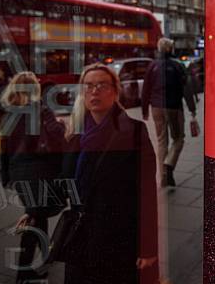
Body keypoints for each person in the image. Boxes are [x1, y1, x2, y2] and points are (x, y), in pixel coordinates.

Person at [62, 63, 158, 283]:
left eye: (102, 85)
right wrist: (35, 210)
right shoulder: (75, 134)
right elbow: (62, 182)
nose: (94, 91)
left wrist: (148, 247)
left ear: (115, 91)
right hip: (80, 238)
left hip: (117, 237)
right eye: (88, 86)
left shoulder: (133, 131)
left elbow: (147, 193)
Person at [0, 71, 66, 284]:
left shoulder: (9, 114)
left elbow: (4, 149)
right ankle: (24, 271)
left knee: (38, 215)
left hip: (19, 172)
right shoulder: (41, 110)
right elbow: (57, 137)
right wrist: (62, 125)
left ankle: (44, 259)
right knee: (35, 218)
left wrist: (7, 175)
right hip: (40, 171)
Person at [142, 37, 196, 187]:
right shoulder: (178, 66)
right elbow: (186, 89)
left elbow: (146, 89)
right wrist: (192, 109)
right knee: (178, 138)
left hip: (156, 108)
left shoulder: (152, 66)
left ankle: (163, 177)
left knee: (161, 141)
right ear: (171, 49)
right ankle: (169, 163)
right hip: (174, 107)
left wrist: (144, 109)